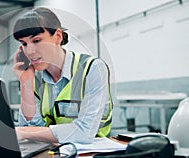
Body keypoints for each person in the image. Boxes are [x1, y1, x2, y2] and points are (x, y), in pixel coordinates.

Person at [12, 7, 113, 144]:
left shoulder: (93, 69)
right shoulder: (33, 78)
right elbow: (29, 130)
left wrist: (26, 132)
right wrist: (26, 84)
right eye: (24, 44)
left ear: (58, 37)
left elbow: (84, 132)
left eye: (36, 41)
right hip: (53, 152)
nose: (29, 51)